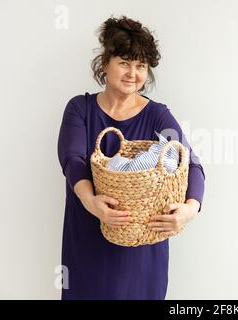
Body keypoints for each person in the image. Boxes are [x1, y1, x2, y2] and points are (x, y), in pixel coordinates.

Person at [57, 15, 205, 300]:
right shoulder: (80, 109)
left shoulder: (157, 115)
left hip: (142, 256)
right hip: (89, 239)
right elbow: (72, 160)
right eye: (124, 62)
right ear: (105, 64)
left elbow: (192, 163)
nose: (132, 73)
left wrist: (188, 211)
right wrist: (91, 202)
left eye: (140, 66)